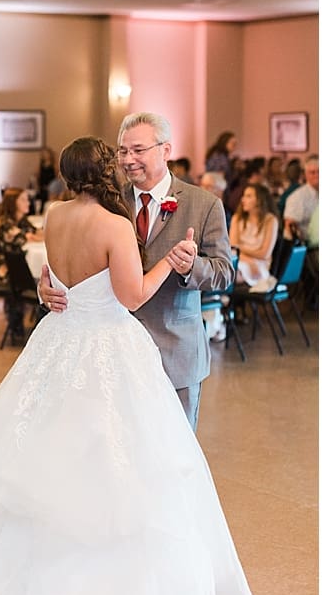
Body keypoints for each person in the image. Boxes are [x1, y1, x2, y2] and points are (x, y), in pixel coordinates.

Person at [0, 135, 251, 595]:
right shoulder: (113, 224)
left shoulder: (56, 216)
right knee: (115, 467)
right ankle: (100, 587)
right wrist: (171, 261)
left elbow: (58, 273)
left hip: (61, 344)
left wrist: (50, 286)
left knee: (51, 456)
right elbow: (132, 296)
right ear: (107, 169)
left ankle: (30, 575)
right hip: (109, 346)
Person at [39, 112, 233, 431]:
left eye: (138, 150)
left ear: (166, 150)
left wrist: (191, 267)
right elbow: (78, 265)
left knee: (175, 449)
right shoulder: (109, 202)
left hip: (174, 350)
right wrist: (45, 290)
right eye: (122, 151)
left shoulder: (204, 204)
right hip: (114, 358)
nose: (128, 160)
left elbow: (224, 273)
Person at [0, 187, 43, 344]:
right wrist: (34, 236)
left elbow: (37, 233)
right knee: (37, 283)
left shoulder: (21, 221)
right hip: (1, 268)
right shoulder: (4, 223)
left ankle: (32, 323)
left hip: (16, 266)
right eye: (23, 200)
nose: (28, 203)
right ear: (13, 204)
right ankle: (24, 322)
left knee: (38, 281)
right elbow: (29, 238)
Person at [229, 183, 279, 291]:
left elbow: (264, 254)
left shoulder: (270, 221)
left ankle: (221, 300)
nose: (243, 199)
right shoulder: (237, 218)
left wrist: (241, 249)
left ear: (259, 200)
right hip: (240, 260)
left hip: (260, 265)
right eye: (244, 196)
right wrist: (247, 258)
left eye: (248, 196)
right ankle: (218, 300)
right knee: (227, 269)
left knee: (230, 273)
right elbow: (233, 248)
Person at [282, 154, 318, 241]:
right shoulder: (296, 198)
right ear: (305, 175)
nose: (317, 175)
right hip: (310, 247)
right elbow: (290, 229)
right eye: (312, 172)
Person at [34, 146, 57, 210]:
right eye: (44, 154)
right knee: (40, 198)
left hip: (51, 186)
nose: (45, 155)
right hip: (42, 186)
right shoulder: (40, 165)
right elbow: (37, 176)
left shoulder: (53, 165)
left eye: (47, 154)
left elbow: (56, 177)